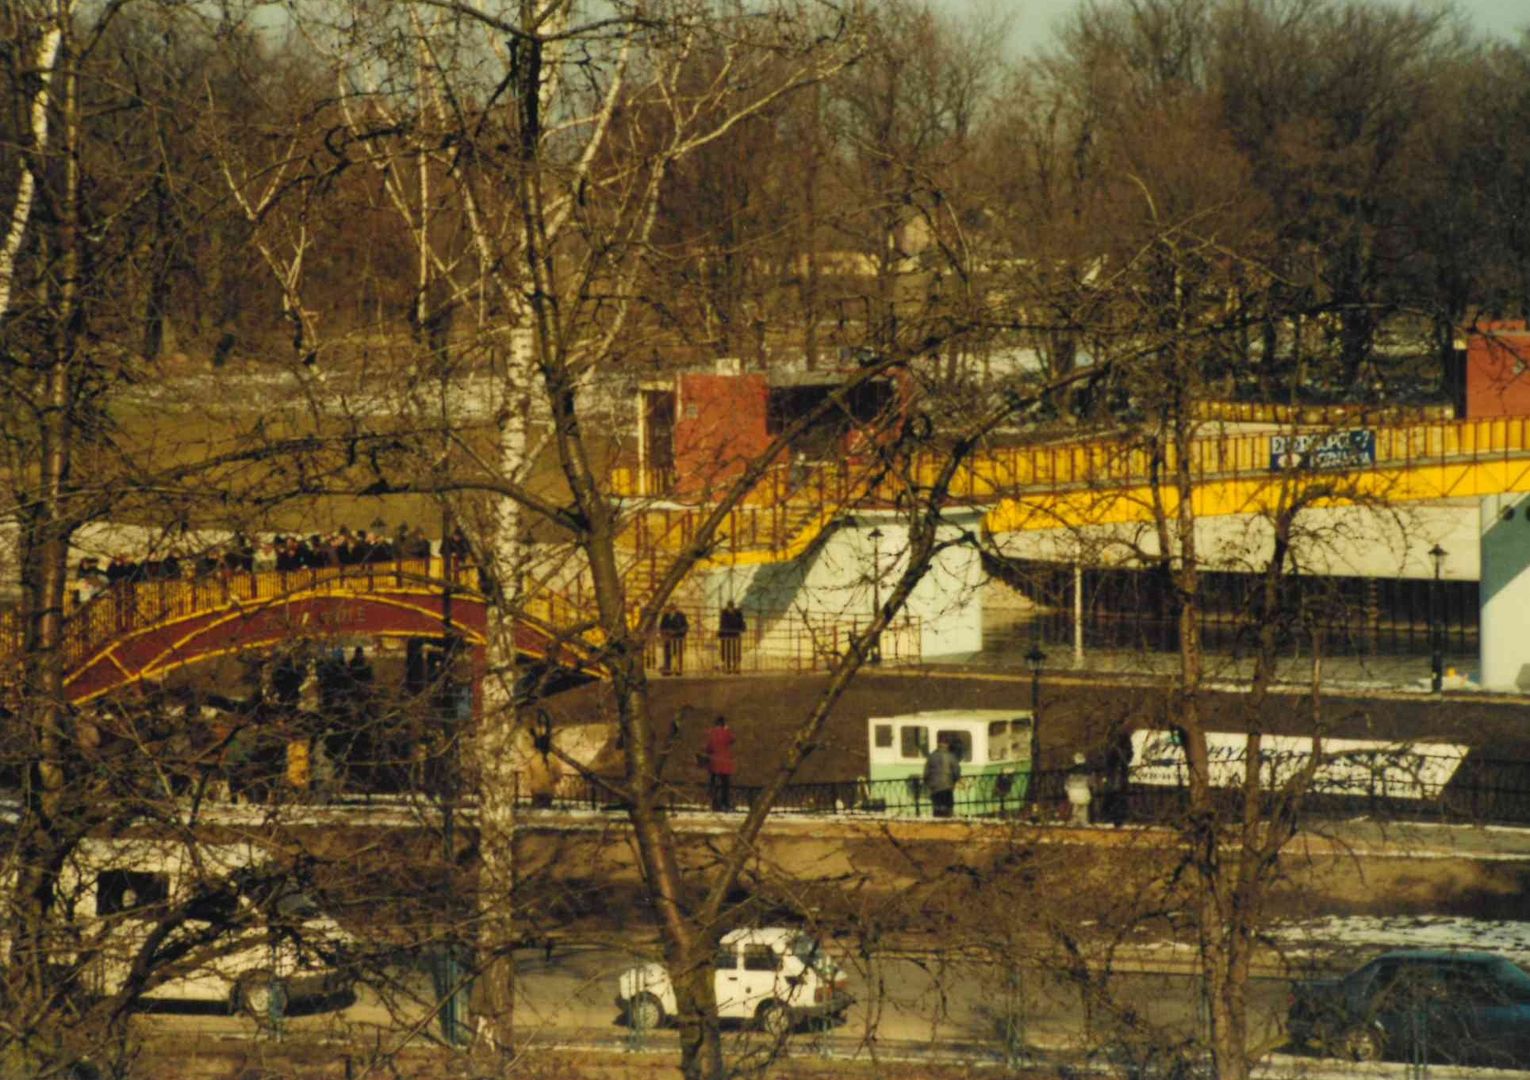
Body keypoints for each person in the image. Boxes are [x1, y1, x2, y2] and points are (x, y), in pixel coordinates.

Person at [1103, 720, 1134, 826]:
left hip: (1119, 772)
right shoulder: (1111, 740)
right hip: (1115, 771)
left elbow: (1129, 755)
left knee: (1119, 795)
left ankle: (1118, 817)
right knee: (1114, 795)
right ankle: (1113, 816)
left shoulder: (1123, 740)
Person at [703, 715, 736, 810]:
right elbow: (732, 740)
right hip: (725, 764)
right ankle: (725, 803)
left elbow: (709, 747)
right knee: (725, 785)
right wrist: (727, 730)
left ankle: (714, 802)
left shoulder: (712, 733)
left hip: (714, 763)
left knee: (713, 783)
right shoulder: (726, 733)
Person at [923, 735, 961, 818]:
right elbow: (956, 772)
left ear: (938, 744)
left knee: (937, 807)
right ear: (947, 744)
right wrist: (954, 781)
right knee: (948, 807)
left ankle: (938, 821)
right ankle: (947, 820)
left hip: (935, 787)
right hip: (947, 786)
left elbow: (926, 774)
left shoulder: (931, 756)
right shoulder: (951, 756)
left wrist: (929, 784)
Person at [526, 732, 564, 810]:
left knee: (537, 811)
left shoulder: (533, 759)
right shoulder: (553, 760)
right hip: (548, 790)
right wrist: (552, 780)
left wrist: (531, 785)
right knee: (546, 809)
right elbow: (559, 775)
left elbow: (527, 776)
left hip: (536, 790)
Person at [1065, 752, 1094, 826]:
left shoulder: (1071, 770)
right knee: (1083, 805)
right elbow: (1091, 782)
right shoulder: (1088, 769)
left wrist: (1067, 788)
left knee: (1076, 805)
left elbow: (1068, 781)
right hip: (1083, 789)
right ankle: (1083, 820)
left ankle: (1074, 820)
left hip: (1073, 790)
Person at [659, 605, 689, 675]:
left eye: (672, 609)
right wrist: (665, 633)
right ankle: (668, 670)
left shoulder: (681, 616)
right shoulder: (665, 616)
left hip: (678, 638)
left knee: (678, 654)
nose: (671, 610)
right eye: (670, 609)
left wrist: (677, 632)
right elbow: (661, 627)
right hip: (668, 638)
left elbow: (685, 626)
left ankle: (678, 670)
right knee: (667, 654)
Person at [718, 600, 745, 674]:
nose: (730, 609)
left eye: (731, 607)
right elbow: (723, 624)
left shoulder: (737, 614)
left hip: (732, 635)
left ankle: (734, 667)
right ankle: (729, 667)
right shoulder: (725, 613)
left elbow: (740, 623)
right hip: (728, 635)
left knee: (734, 652)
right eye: (730, 607)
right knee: (728, 652)